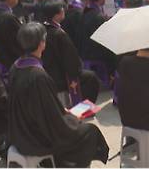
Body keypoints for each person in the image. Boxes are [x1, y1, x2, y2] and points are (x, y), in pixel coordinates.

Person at [8, 23, 109, 167]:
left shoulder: (16, 66)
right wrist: (70, 117)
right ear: (42, 43)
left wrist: (62, 112)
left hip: (20, 131)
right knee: (89, 131)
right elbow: (53, 121)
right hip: (35, 138)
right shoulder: (38, 76)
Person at [42, 0, 100, 102]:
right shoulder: (58, 34)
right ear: (57, 15)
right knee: (91, 78)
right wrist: (77, 71)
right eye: (62, 10)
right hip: (60, 75)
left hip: (48, 70)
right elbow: (70, 59)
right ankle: (85, 107)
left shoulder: (43, 29)